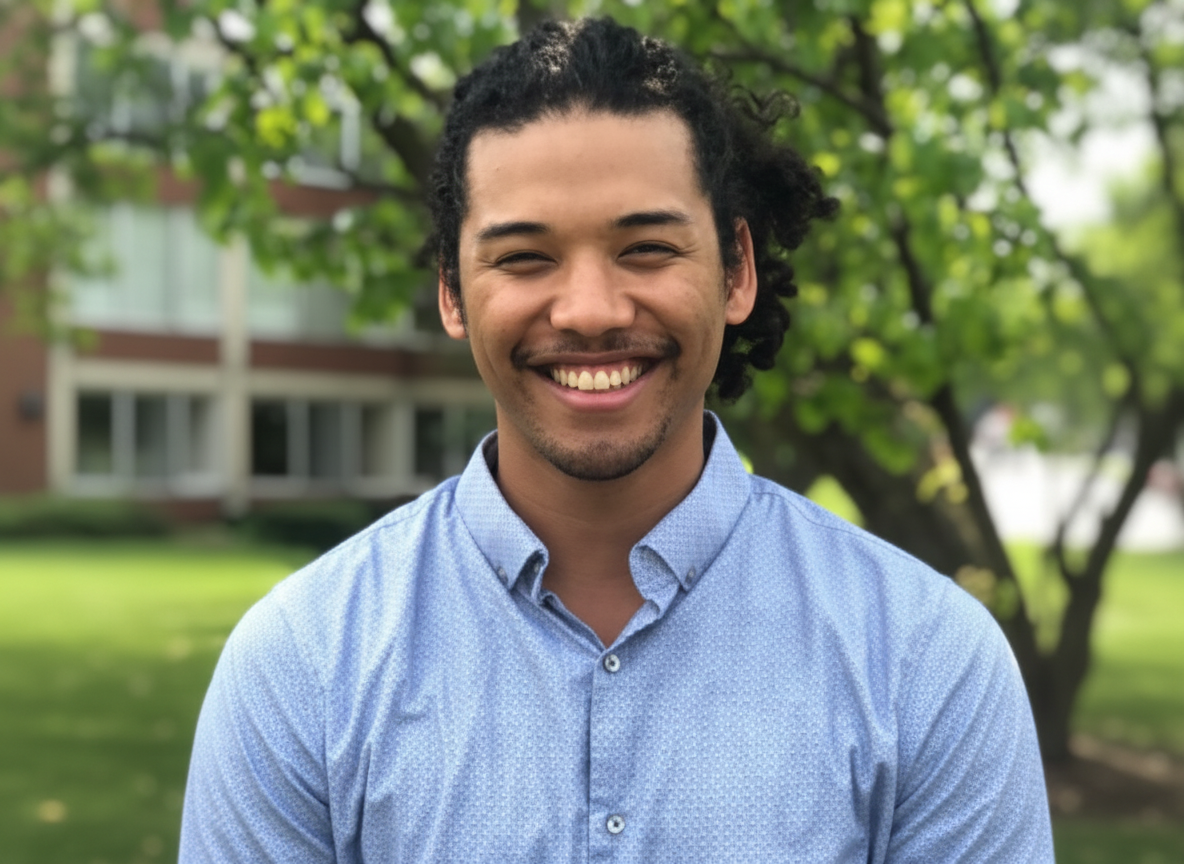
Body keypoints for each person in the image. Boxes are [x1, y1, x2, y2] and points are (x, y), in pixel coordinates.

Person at [180, 17, 1053, 863]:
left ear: (736, 270)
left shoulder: (926, 661)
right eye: (524, 258)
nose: (591, 311)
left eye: (646, 248)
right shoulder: (301, 664)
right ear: (451, 292)